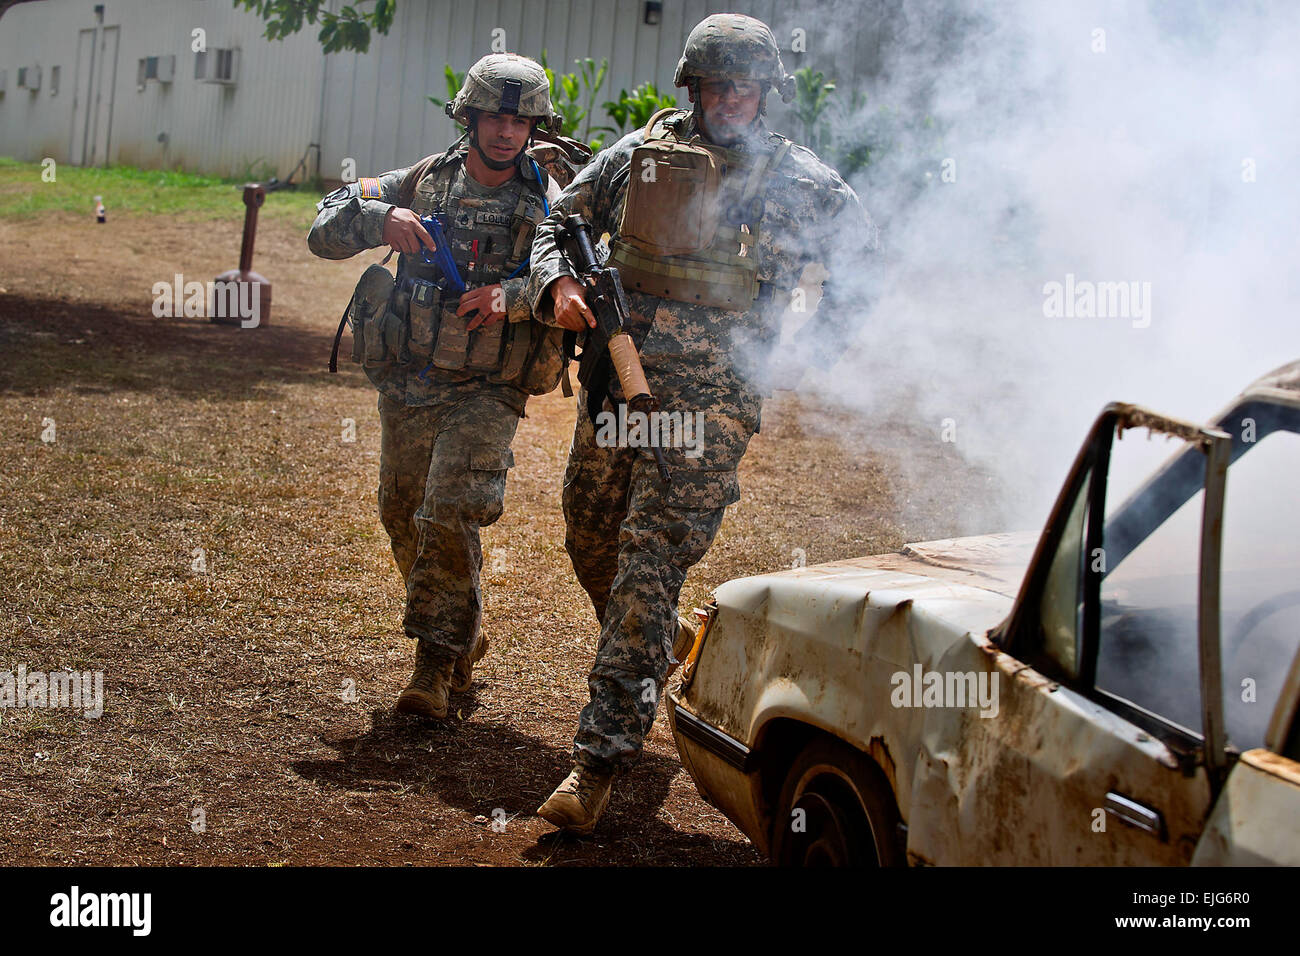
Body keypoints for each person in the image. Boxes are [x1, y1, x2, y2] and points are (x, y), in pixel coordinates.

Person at [528, 14, 879, 832]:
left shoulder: (804, 183)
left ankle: (597, 761)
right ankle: (652, 651)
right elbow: (558, 225)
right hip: (621, 387)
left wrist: (810, 354)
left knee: (647, 566)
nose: (730, 100)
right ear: (692, 86)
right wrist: (559, 288)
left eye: (745, 87)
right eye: (715, 85)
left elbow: (866, 266)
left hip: (709, 410)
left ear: (765, 93)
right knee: (592, 538)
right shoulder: (637, 156)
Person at [307, 53, 575, 719]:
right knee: (401, 513)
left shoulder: (551, 197)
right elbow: (323, 225)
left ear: (535, 124)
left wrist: (511, 295)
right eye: (495, 116)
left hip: (491, 387)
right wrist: (379, 221)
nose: (508, 131)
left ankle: (434, 666)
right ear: (471, 116)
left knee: (449, 509)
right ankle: (461, 634)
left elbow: (581, 276)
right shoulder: (423, 181)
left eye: (521, 119)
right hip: (413, 379)